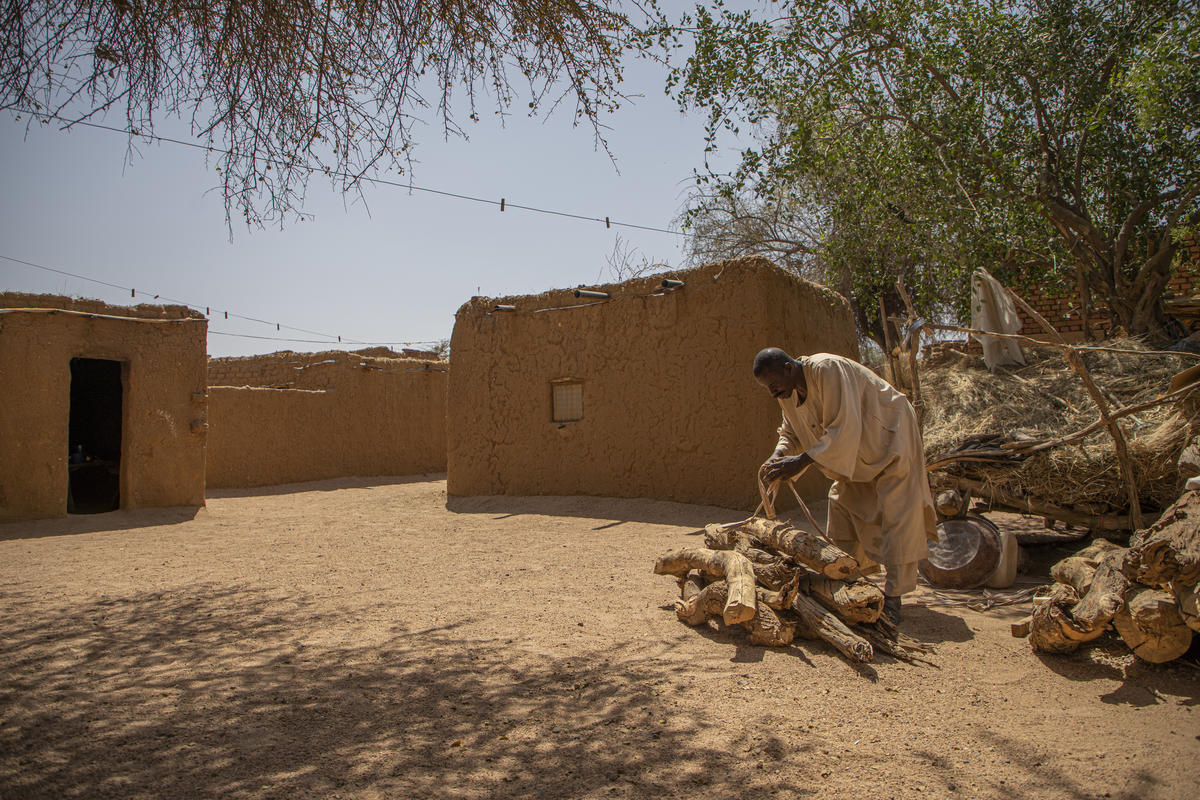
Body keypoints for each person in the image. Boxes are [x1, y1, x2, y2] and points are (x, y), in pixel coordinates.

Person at [752, 347, 938, 625]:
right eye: (768, 388)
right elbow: (790, 432)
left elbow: (844, 429)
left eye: (774, 385)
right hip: (857, 453)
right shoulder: (787, 393)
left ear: (789, 368)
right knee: (841, 502)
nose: (773, 393)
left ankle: (894, 598)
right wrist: (779, 455)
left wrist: (800, 462)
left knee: (897, 513)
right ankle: (846, 580)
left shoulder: (827, 369)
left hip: (891, 437)